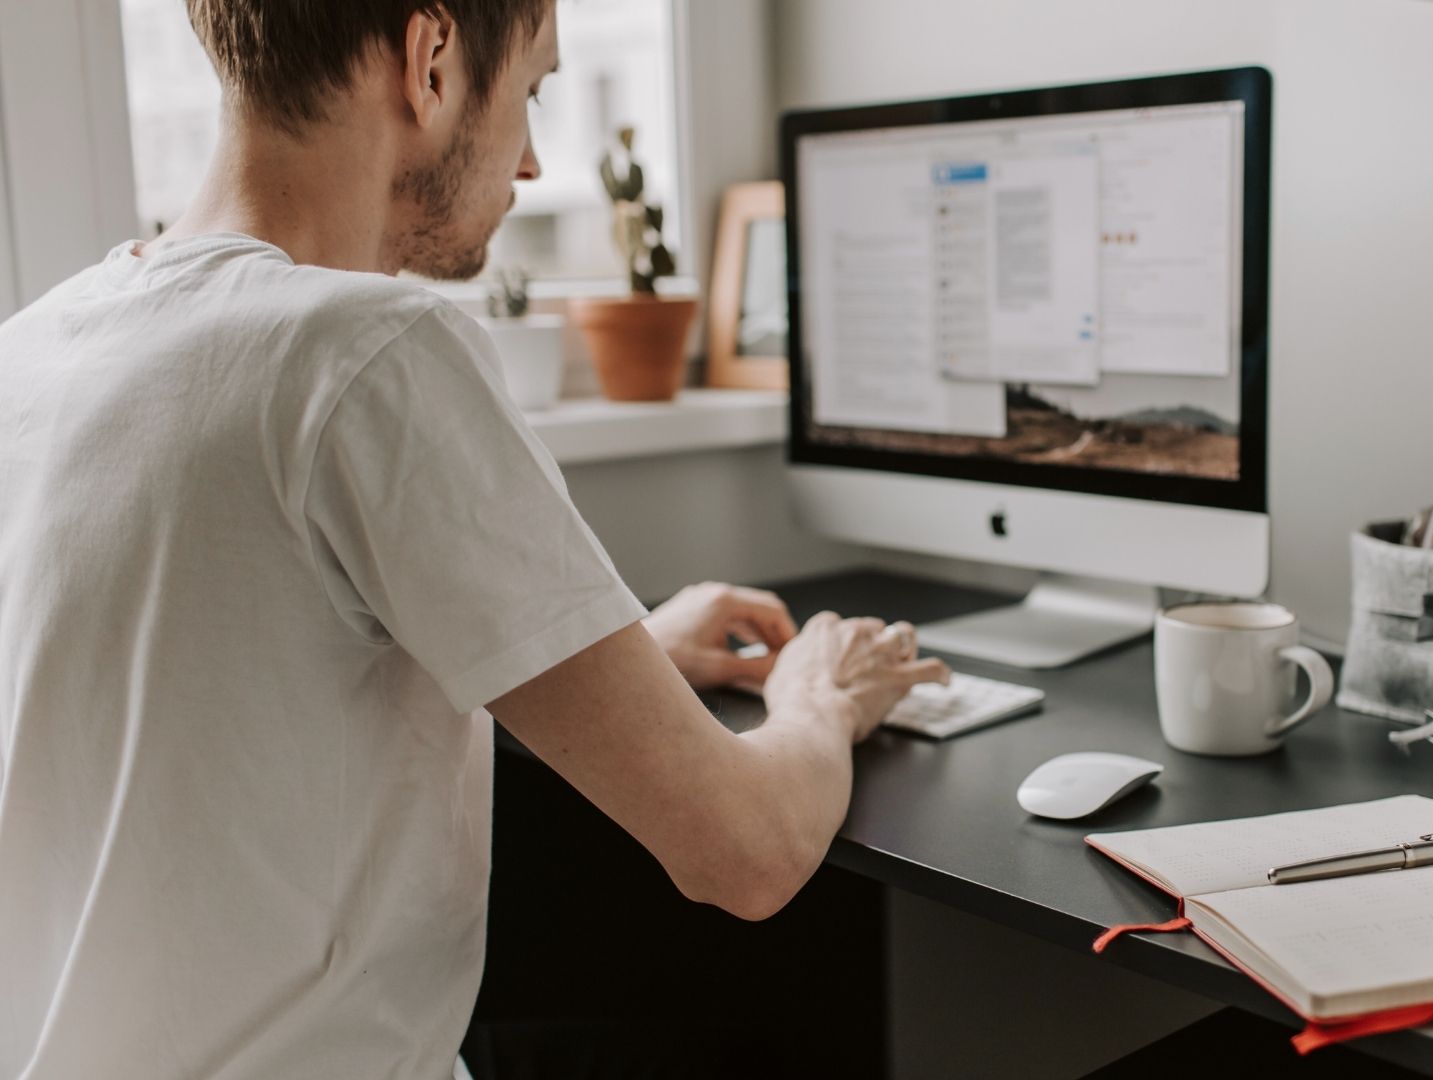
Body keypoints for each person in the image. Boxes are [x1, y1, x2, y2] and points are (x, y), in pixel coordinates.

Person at [0, 2, 948, 1076]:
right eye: (533, 91)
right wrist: (820, 696)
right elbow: (751, 854)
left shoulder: (33, 353)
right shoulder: (370, 351)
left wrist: (620, 645)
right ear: (431, 59)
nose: (536, 162)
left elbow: (228, 693)